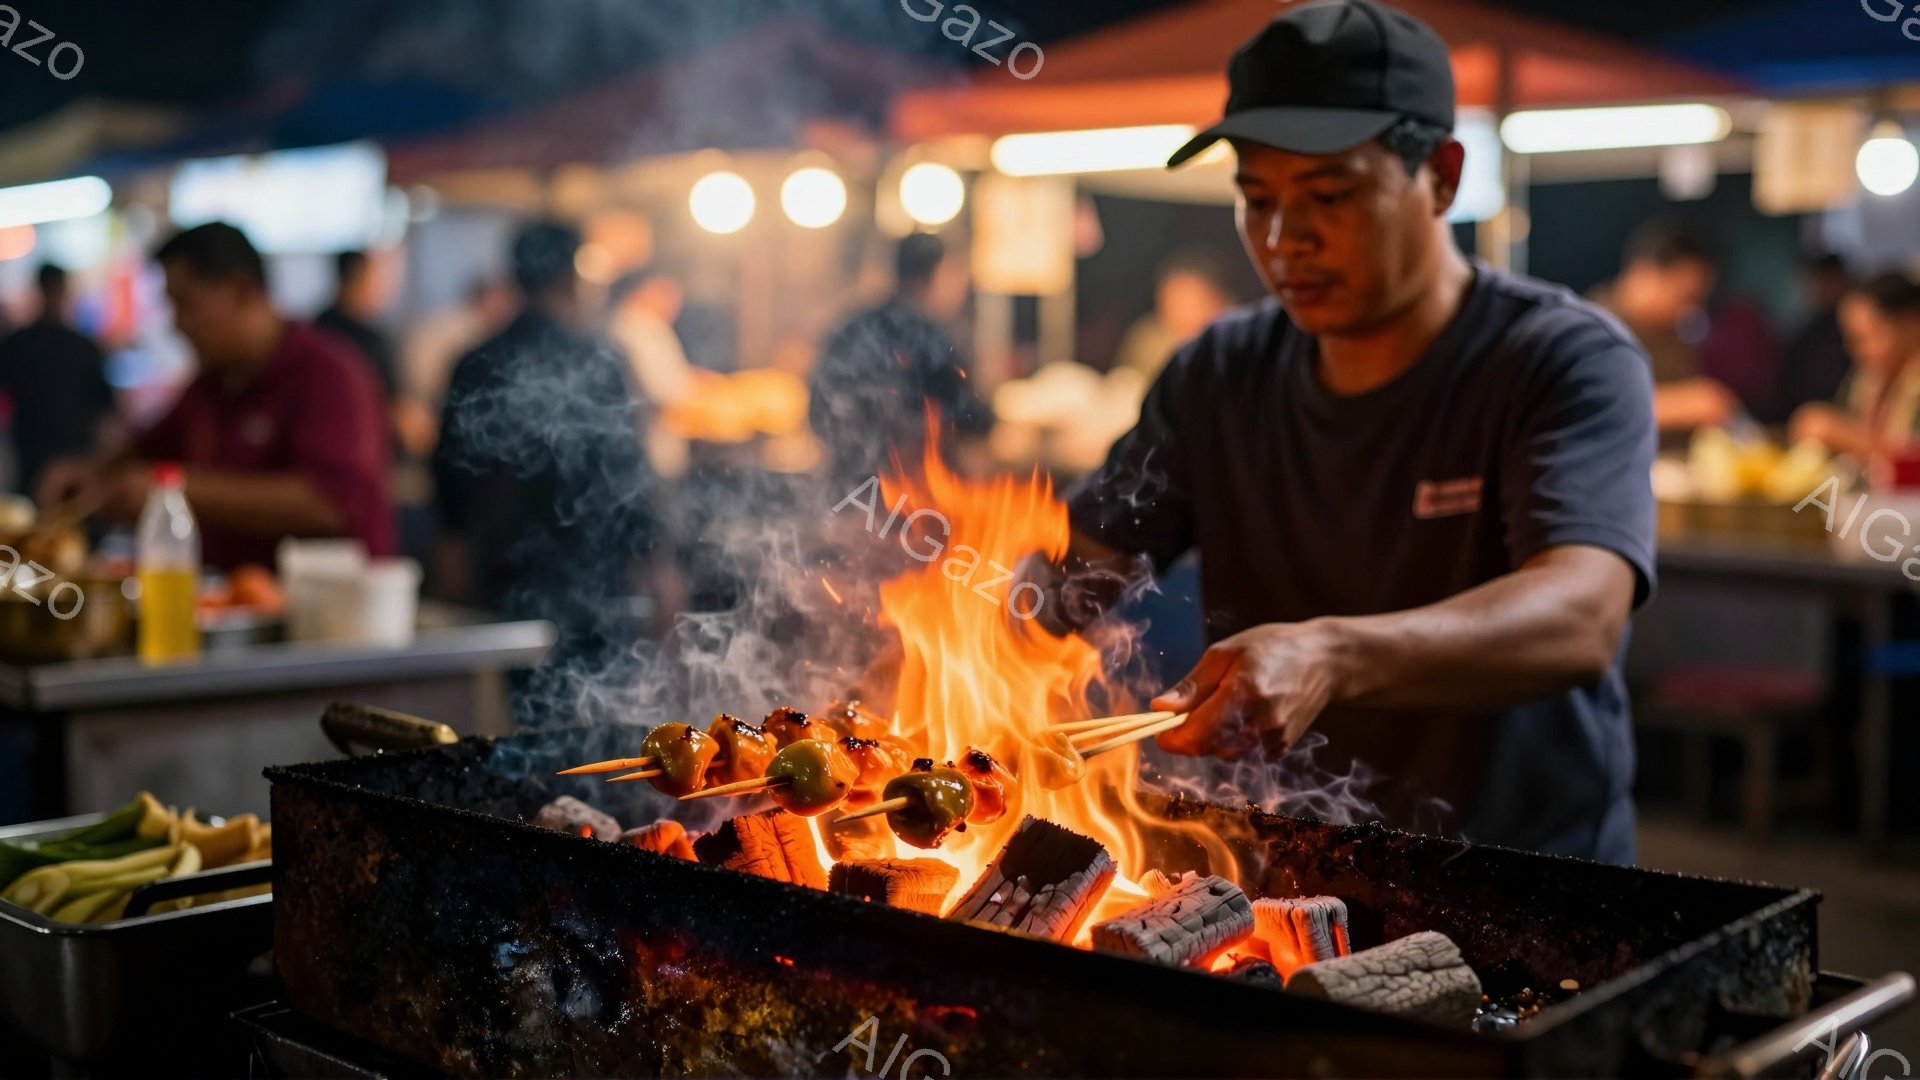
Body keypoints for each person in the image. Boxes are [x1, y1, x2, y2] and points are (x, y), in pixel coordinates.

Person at [1027, 0, 1655, 863]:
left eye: (1331, 196)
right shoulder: (1217, 373)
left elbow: (1582, 615)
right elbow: (1081, 570)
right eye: (1257, 200)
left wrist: (1329, 653)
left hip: (1523, 877)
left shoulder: (1559, 358)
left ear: (1440, 175)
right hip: (1282, 865)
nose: (1285, 240)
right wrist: (948, 633)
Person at [37, 223, 392, 568]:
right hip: (227, 607)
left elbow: (329, 502)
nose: (176, 324)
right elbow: (145, 449)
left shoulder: (328, 375)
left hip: (331, 618)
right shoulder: (212, 384)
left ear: (240, 290)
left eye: (186, 304)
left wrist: (173, 492)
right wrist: (88, 474)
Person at [432, 221, 657, 724]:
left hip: (503, 574)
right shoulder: (599, 358)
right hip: (593, 575)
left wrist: (454, 551)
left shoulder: (475, 362)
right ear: (571, 276)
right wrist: (655, 559)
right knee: (598, 716)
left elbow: (447, 474)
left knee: (523, 718)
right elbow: (629, 474)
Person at [808, 232, 992, 489]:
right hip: (910, 492)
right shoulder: (931, 339)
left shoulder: (854, 325)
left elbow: (818, 410)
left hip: (847, 488)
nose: (960, 287)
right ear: (930, 276)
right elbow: (971, 417)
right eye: (953, 274)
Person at [1591, 219, 1739, 438]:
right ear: (1645, 274)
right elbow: (1592, 408)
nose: (1690, 310)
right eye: (1685, 296)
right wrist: (1683, 405)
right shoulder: (1593, 325)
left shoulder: (1672, 334)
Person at [0, 264, 117, 498]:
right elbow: (106, 412)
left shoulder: (18, 343)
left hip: (56, 461)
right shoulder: (83, 346)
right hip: (64, 456)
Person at [1789, 271, 1920, 458]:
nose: (1855, 351)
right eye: (1851, 340)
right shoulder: (1865, 380)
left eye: (1865, 338)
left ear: (1910, 323)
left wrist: (1849, 440)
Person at [1114, 248, 1239, 379]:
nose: (1179, 314)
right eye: (1169, 302)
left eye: (1187, 301)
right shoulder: (1147, 341)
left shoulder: (1241, 339)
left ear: (1216, 300)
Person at [1772, 253, 1855, 422]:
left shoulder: (1848, 322)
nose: (1850, 346)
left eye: (1829, 280)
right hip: (1809, 417)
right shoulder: (1809, 332)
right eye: (1818, 281)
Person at [315, 249, 399, 403]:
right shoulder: (323, 335)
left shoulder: (317, 327)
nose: (378, 290)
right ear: (352, 280)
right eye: (372, 282)